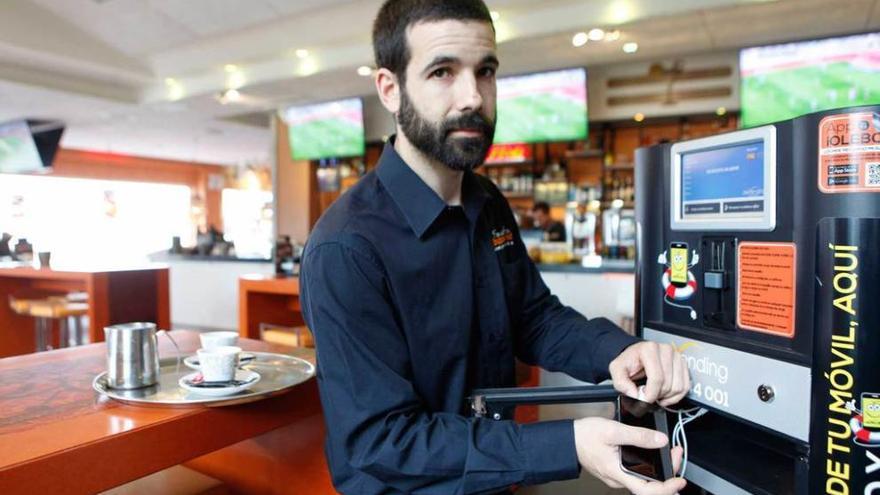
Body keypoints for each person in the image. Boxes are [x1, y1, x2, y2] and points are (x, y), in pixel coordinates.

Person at [299, 1, 690, 494]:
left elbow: (533, 317)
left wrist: (620, 353)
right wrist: (568, 444)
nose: (473, 97)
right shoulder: (345, 249)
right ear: (390, 89)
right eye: (442, 71)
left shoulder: (487, 201)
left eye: (485, 71)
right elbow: (383, 441)